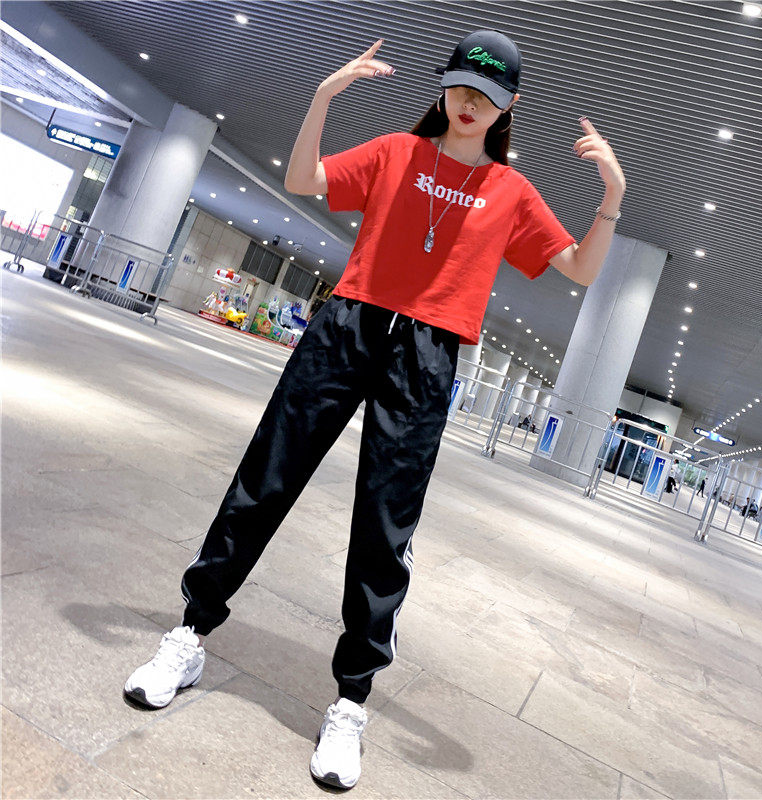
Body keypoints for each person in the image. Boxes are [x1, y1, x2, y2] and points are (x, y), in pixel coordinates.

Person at [124, 29, 625, 790]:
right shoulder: (396, 151)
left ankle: (351, 700)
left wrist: (612, 197)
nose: (470, 103)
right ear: (443, 86)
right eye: (461, 87)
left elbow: (581, 270)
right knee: (265, 480)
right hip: (348, 325)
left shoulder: (512, 193)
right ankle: (189, 634)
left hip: (428, 352)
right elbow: (303, 178)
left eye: (487, 96)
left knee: (385, 528)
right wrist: (324, 96)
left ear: (508, 106)